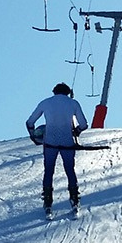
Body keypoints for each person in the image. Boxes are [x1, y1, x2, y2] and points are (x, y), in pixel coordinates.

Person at [26, 82, 90, 218]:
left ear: (54, 91)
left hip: (50, 143)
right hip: (67, 142)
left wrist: (34, 137)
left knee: (49, 171)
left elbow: (30, 122)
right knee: (69, 170)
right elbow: (84, 124)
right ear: (67, 92)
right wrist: (76, 131)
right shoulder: (73, 103)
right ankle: (74, 200)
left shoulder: (45, 103)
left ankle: (48, 203)